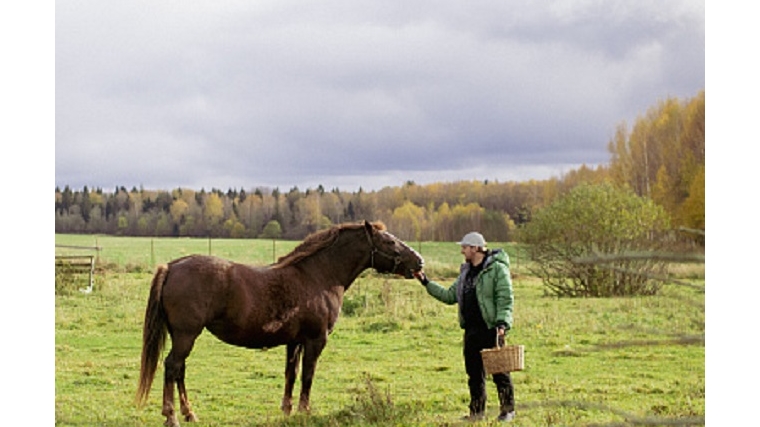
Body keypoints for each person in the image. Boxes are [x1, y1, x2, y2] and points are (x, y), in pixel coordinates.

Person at [414, 231, 515, 422]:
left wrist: (502, 324)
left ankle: (508, 411)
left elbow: (505, 298)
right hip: (471, 331)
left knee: (500, 373)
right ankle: (476, 413)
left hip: (491, 329)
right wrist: (425, 281)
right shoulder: (465, 272)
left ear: (475, 248)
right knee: (474, 375)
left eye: (464, 247)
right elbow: (449, 296)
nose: (462, 251)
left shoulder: (498, 270)